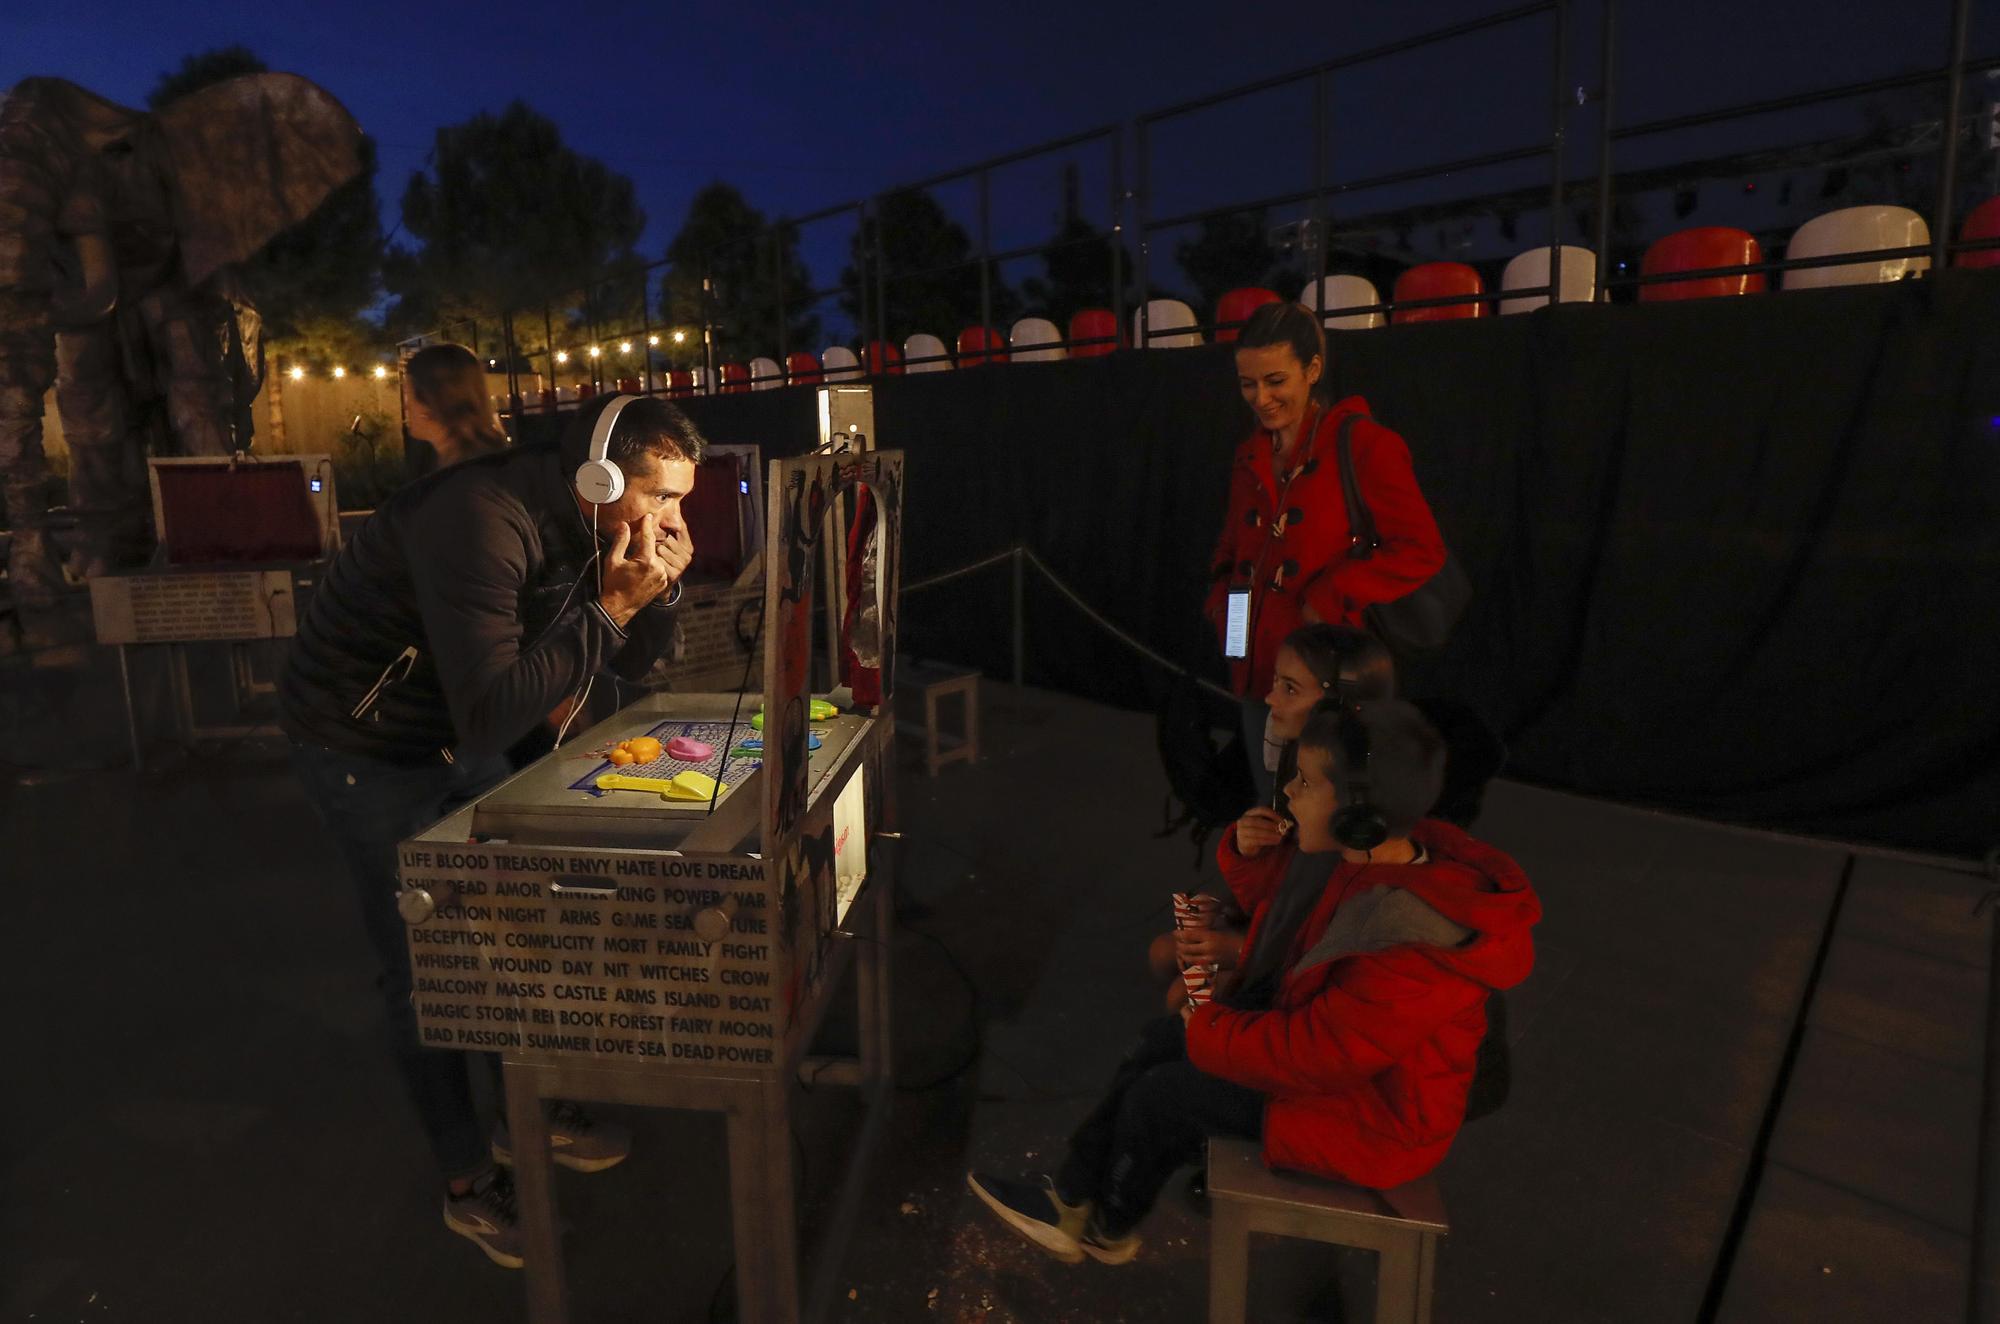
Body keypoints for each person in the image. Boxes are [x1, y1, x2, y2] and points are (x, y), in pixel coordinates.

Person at [279, 392, 702, 1268]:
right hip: (367, 742)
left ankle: (526, 1114)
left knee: (519, 921)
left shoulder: (588, 524)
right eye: (657, 497)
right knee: (422, 958)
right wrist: (614, 610)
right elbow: (489, 715)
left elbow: (636, 662)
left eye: (679, 501)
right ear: (597, 476)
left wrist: (657, 595)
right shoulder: (478, 518)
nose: (670, 518)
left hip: (457, 719)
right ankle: (467, 1181)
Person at [968, 699, 1539, 1265]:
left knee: (1163, 1097)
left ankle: (1108, 1228)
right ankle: (1070, 1195)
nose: (1288, 791)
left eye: (1306, 783)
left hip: (1373, 1124)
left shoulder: (1411, 941)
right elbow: (1292, 936)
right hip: (1341, 1072)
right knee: (1160, 1041)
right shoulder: (1374, 857)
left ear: (1357, 812)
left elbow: (1320, 1055)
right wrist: (1250, 857)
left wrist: (1214, 1027)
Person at [1205, 301, 1448, 801]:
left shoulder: (1364, 445)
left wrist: (1332, 592)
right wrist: (1226, 621)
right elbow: (1233, 548)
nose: (1261, 398)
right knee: (1268, 795)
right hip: (1254, 666)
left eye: (1275, 380)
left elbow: (1422, 549)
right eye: (1248, 383)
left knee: (1327, 803)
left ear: (1312, 369)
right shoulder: (1249, 452)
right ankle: (1272, 877)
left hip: (1323, 673)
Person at [1148, 624, 1396, 1012]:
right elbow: (1283, 883)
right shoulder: (1298, 763)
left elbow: (1332, 940)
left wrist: (1241, 947)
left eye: (1290, 689)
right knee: (1164, 953)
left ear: (1341, 705)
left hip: (1301, 972)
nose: (1268, 697)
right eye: (1276, 682)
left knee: (1183, 997)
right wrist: (1244, 854)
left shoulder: (1352, 808)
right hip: (1275, 934)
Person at [402, 342, 510, 474]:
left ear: (430, 402)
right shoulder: (492, 459)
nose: (406, 406)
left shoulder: (465, 475)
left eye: (408, 395)